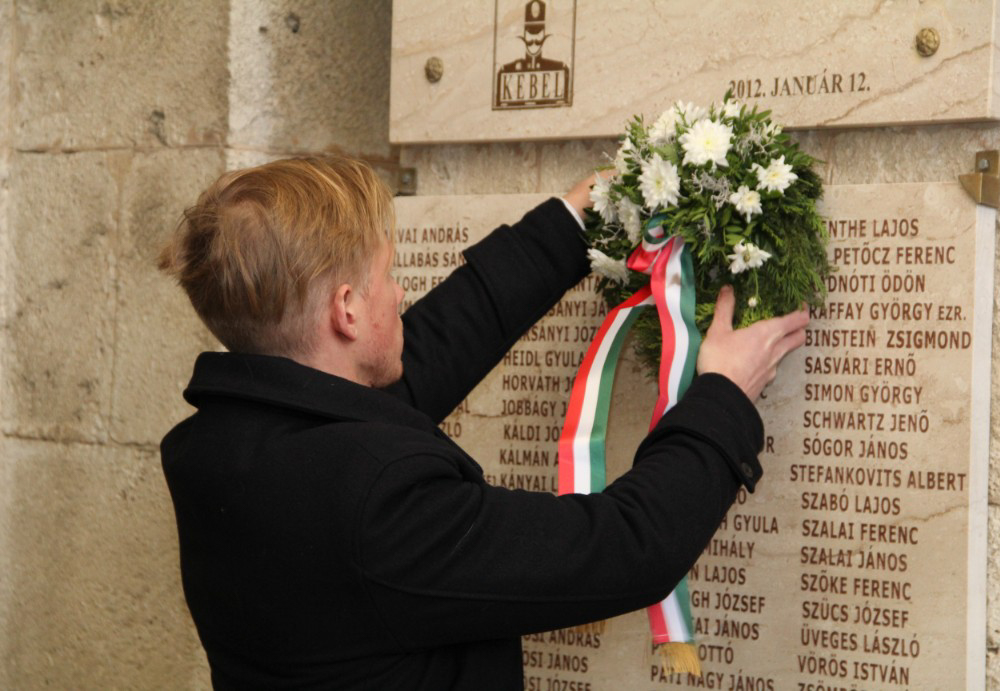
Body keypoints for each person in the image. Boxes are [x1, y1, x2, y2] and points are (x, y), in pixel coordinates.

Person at [158, 155, 808, 690]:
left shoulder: (219, 444)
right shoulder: (374, 503)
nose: (400, 293)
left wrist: (570, 224)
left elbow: (426, 355)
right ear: (347, 310)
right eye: (387, 274)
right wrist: (723, 392)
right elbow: (624, 548)